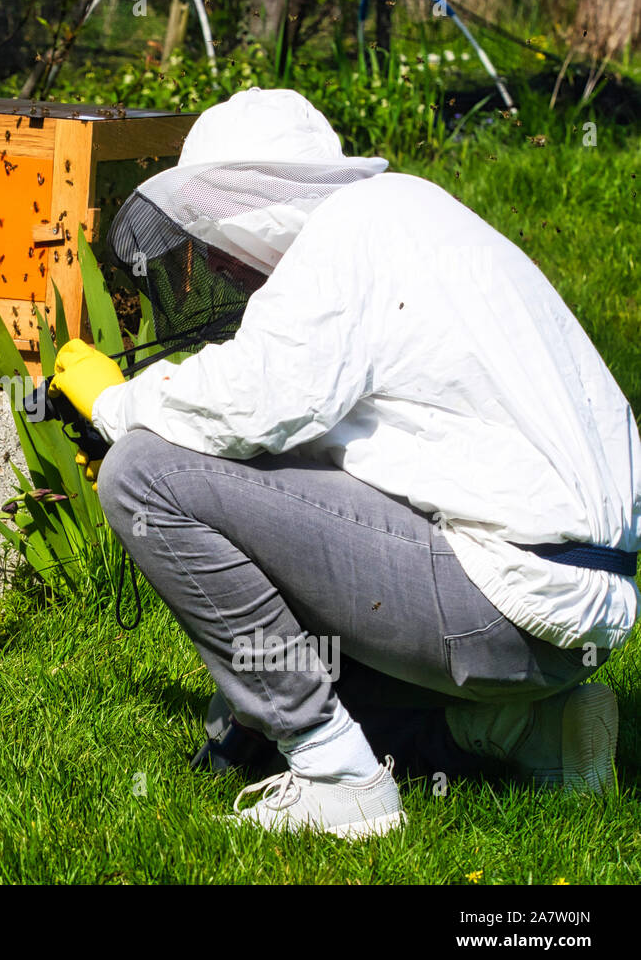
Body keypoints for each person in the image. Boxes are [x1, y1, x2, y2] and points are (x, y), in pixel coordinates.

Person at [50, 87, 640, 839]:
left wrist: (118, 407)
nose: (222, 260)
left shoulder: (351, 233)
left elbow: (250, 405)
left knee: (144, 472)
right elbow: (297, 446)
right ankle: (530, 729)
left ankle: (338, 779)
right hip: (574, 607)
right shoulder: (414, 217)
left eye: (215, 228)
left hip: (504, 597)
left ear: (249, 199)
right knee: (285, 680)